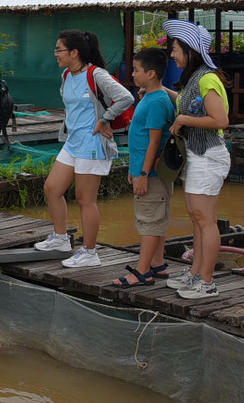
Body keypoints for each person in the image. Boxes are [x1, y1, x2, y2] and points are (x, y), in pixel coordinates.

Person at [35, 30, 134, 268]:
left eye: (59, 49)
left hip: (92, 145)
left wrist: (104, 120)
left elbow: (126, 97)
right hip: (73, 142)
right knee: (51, 188)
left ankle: (90, 252)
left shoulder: (96, 74)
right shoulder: (67, 74)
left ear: (74, 52)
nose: (55, 54)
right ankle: (60, 238)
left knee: (85, 199)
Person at [161, 20, 231, 300]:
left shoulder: (206, 78)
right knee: (198, 218)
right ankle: (195, 273)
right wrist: (161, 90)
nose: (172, 55)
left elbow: (220, 120)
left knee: (205, 220)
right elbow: (189, 104)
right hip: (196, 155)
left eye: (176, 49)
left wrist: (182, 120)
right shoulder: (195, 78)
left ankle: (206, 280)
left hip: (207, 154)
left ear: (191, 51)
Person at [110, 48, 177, 287]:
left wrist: (144, 174)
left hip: (152, 174)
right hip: (145, 171)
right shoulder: (150, 98)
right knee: (155, 219)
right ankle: (157, 264)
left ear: (150, 73)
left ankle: (141, 271)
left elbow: (154, 141)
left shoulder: (157, 101)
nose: (133, 73)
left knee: (149, 222)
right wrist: (134, 170)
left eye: (137, 70)